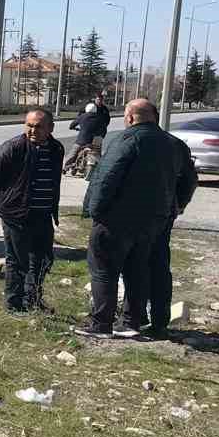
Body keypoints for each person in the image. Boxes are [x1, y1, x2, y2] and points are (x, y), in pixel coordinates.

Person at [76, 97, 178, 339]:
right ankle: (131, 323)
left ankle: (101, 324)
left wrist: (95, 210)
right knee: (137, 270)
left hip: (118, 219)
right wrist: (171, 208)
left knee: (103, 269)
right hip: (153, 220)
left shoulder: (128, 138)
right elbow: (186, 180)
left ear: (130, 118)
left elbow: (106, 175)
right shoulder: (171, 143)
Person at [0, 107, 64, 313]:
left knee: (43, 259)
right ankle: (14, 304)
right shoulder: (14, 147)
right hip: (16, 215)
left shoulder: (56, 148)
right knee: (18, 261)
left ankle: (33, 301)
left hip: (43, 214)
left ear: (50, 128)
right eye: (29, 125)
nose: (32, 130)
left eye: (38, 127)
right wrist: (12, 196)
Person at [138, 125, 199, 339]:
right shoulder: (175, 145)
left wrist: (177, 205)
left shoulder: (135, 141)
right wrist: (177, 206)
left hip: (139, 216)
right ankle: (156, 320)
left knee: (138, 266)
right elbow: (190, 180)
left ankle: (138, 318)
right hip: (163, 215)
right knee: (158, 267)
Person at [64, 102, 104, 174]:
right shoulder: (100, 118)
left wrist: (74, 128)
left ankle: (65, 167)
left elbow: (72, 125)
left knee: (73, 153)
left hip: (83, 140)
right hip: (95, 141)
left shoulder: (83, 116)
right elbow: (104, 129)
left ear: (87, 109)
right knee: (98, 153)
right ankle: (100, 168)